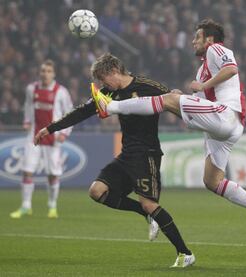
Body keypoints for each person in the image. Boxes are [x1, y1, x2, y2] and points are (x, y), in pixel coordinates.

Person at [34, 53, 195, 268]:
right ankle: (145, 214)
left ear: (113, 71)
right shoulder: (108, 92)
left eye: (103, 78)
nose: (102, 84)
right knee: (97, 191)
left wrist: (192, 116)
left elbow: (175, 100)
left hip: (146, 153)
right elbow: (82, 112)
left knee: (150, 203)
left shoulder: (147, 85)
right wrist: (50, 128)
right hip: (127, 153)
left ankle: (185, 253)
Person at [93, 19, 246, 214]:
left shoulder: (216, 49)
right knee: (212, 181)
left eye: (197, 37)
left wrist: (200, 88)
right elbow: (198, 104)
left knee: (167, 100)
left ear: (209, 39)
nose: (193, 41)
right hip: (224, 128)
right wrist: (183, 97)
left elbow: (231, 69)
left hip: (225, 115)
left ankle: (111, 107)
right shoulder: (202, 69)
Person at [10, 59, 73, 219]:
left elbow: (71, 114)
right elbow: (28, 106)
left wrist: (64, 132)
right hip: (34, 135)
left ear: (54, 74)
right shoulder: (32, 89)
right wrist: (26, 121)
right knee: (27, 171)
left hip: (53, 138)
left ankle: (52, 206)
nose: (45, 74)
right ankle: (26, 206)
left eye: (48, 71)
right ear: (39, 72)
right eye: (43, 71)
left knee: (53, 174)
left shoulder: (61, 91)